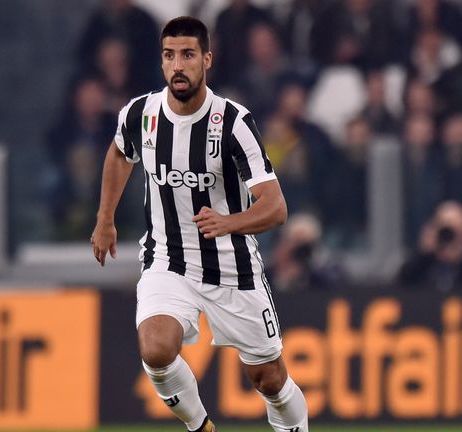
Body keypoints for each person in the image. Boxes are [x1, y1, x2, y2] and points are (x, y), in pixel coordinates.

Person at [90, 16, 308, 432]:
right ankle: (201, 428)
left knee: (270, 380)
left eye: (187, 55)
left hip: (233, 267)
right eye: (169, 56)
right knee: (155, 349)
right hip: (167, 259)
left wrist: (229, 222)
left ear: (206, 59)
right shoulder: (140, 112)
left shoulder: (233, 123)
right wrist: (105, 219)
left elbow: (276, 207)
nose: (178, 65)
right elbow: (120, 154)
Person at [398, 201, 462, 291]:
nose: (448, 235)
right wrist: (424, 252)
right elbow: (404, 277)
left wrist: (459, 255)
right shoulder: (425, 262)